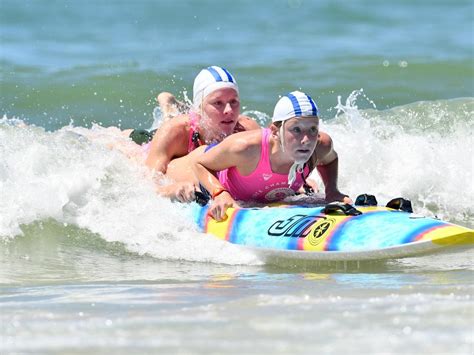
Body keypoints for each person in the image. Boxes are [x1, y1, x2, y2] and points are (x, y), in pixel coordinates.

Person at [192, 90, 352, 221]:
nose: (306, 140)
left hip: (259, 192)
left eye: (312, 129)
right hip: (207, 167)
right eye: (296, 129)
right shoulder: (245, 148)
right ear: (275, 132)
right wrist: (219, 193)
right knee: (176, 184)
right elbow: (199, 164)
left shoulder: (320, 145)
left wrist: (332, 190)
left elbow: (329, 160)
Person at [140, 66, 260, 202]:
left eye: (233, 101)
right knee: (132, 149)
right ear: (199, 107)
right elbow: (147, 185)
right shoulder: (175, 131)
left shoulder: (247, 130)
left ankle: (175, 107)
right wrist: (172, 189)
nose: (229, 110)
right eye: (218, 103)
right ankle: (169, 107)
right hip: (156, 141)